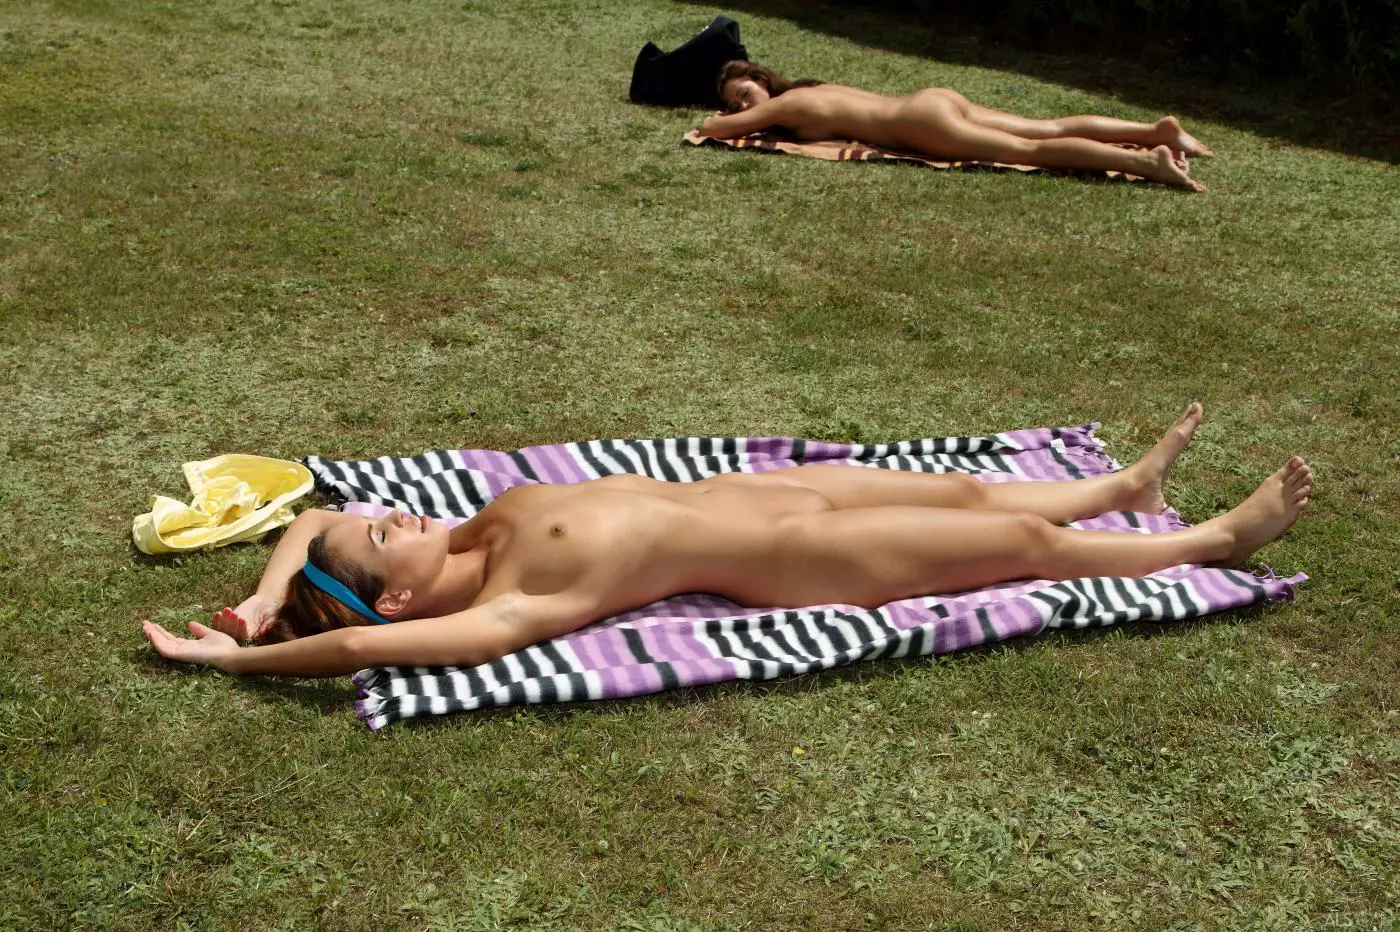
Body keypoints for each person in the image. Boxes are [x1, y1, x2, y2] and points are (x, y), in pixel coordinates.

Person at [141, 404, 1312, 676]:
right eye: (382, 532)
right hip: (797, 561)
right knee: (1012, 540)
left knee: (961, 486)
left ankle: (1119, 486)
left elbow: (308, 519)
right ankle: (1206, 543)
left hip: (753, 490)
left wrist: (264, 597)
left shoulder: (457, 530)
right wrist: (243, 659)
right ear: (396, 599)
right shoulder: (507, 605)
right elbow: (352, 648)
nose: (393, 511)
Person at [697, 61, 1213, 192]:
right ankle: (1156, 131)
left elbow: (712, 130)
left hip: (921, 121)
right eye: (735, 101)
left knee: (1029, 150)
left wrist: (720, 117)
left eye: (743, 93)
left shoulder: (782, 105)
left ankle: (1148, 162)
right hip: (932, 100)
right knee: (1047, 128)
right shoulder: (811, 89)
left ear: (760, 80)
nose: (742, 104)